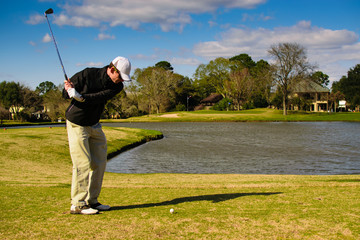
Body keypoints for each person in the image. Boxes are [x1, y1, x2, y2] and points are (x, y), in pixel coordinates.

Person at [63, 56, 131, 215]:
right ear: (112, 69)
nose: (120, 80)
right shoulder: (87, 74)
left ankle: (92, 201)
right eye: (119, 76)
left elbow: (97, 98)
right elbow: (64, 94)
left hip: (94, 123)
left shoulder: (117, 87)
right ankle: (78, 204)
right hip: (77, 122)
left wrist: (79, 96)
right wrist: (69, 90)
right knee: (82, 162)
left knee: (100, 162)